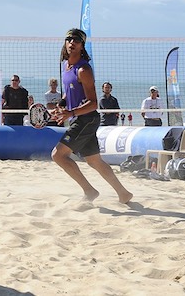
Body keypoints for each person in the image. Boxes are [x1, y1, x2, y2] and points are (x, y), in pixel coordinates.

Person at [51, 29, 133, 205]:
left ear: (82, 46)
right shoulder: (66, 67)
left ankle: (89, 191)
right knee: (94, 161)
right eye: (69, 39)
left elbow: (93, 103)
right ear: (65, 42)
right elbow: (68, 94)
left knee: (58, 155)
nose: (72, 42)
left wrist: (71, 113)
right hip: (80, 118)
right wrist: (62, 105)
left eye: (77, 40)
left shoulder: (83, 69)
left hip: (86, 119)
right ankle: (123, 193)